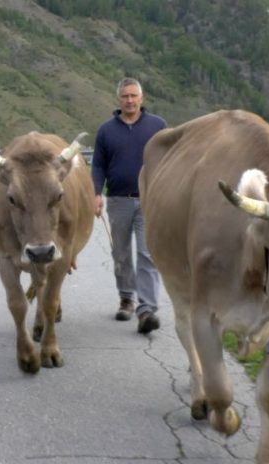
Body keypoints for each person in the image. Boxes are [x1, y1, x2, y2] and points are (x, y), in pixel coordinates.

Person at [91, 78, 167, 334]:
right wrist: (95, 193)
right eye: (125, 96)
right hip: (118, 200)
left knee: (148, 254)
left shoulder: (158, 126)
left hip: (149, 200)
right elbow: (98, 165)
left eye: (134, 95)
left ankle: (147, 310)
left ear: (142, 98)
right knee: (121, 254)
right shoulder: (105, 130)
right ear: (118, 99)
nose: (130, 100)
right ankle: (126, 299)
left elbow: (170, 160)